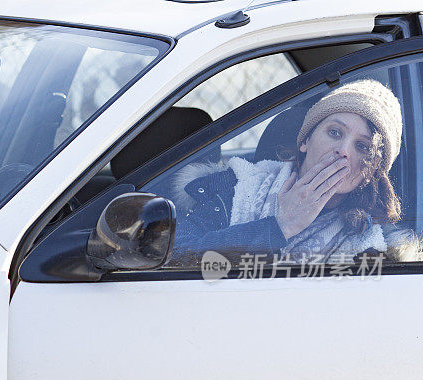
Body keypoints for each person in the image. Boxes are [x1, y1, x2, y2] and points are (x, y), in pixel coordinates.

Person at [170, 79, 418, 264]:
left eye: (362, 147)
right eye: (335, 132)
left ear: (370, 173)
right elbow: (176, 259)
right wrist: (280, 227)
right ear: (305, 141)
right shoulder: (237, 186)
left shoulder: (372, 249)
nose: (343, 151)